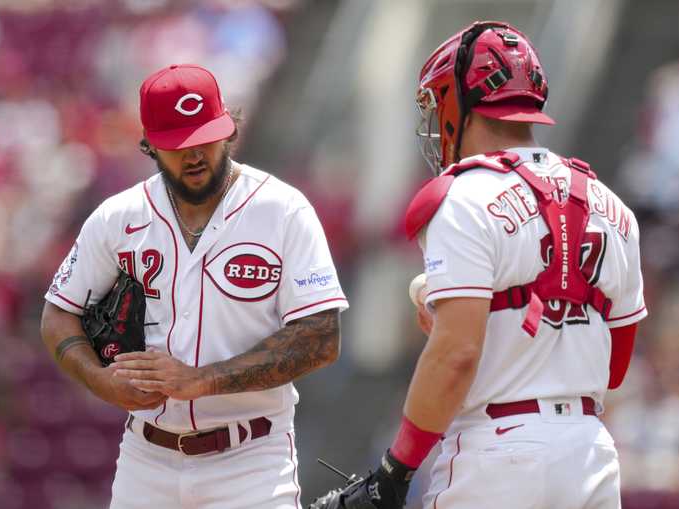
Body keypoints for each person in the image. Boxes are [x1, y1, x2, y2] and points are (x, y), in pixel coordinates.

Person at [312, 21, 645, 509]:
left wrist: (395, 470)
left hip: (499, 455)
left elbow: (457, 355)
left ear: (458, 102)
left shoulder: (464, 196)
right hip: (590, 454)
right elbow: (614, 367)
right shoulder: (610, 204)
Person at [40, 63, 349, 509]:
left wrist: (202, 381)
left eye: (207, 137)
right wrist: (99, 381)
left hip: (251, 460)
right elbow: (59, 310)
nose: (196, 155)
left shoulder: (283, 210)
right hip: (145, 459)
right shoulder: (118, 217)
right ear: (149, 145)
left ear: (229, 130)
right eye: (179, 146)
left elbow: (321, 338)